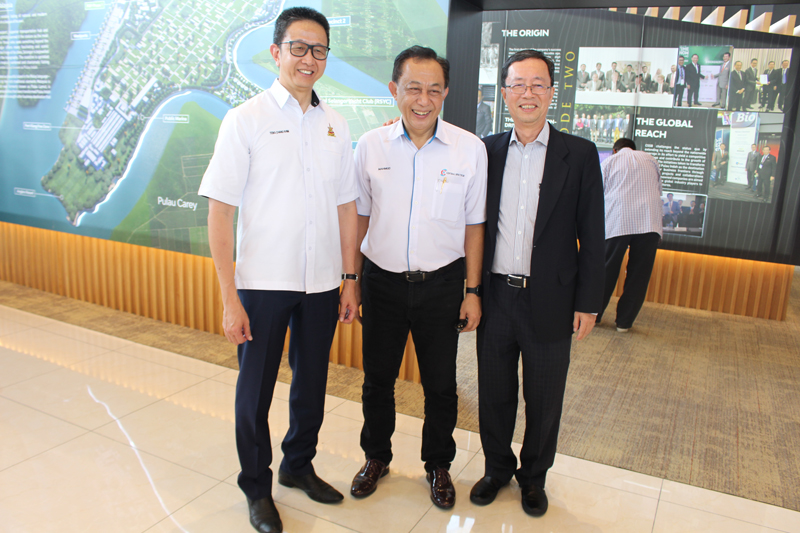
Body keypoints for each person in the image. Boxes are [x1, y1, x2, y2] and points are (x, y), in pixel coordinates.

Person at [199, 7, 358, 533]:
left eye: (319, 50)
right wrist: (230, 298)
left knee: (311, 383)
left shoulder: (336, 124)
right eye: (298, 47)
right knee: (256, 391)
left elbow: (346, 207)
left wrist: (349, 279)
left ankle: (298, 465)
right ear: (276, 52)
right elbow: (220, 212)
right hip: (262, 284)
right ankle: (256, 486)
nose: (309, 59)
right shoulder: (245, 119)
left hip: (322, 283)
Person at [350, 45, 487, 510]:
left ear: (445, 93)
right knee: (377, 380)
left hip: (443, 285)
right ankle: (376, 457)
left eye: (433, 90)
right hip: (382, 282)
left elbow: (474, 226)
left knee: (441, 385)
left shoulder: (469, 149)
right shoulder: (371, 146)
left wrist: (472, 290)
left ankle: (438, 465)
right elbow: (360, 217)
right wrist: (351, 279)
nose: (423, 99)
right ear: (395, 90)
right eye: (413, 88)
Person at [469, 49, 604, 518]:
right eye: (518, 84)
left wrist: (589, 302)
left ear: (551, 92)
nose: (528, 93)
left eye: (537, 84)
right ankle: (496, 469)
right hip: (496, 296)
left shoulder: (579, 154)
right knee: (494, 391)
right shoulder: (486, 151)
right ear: (505, 92)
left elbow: (593, 233)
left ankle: (533, 478)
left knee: (544, 399)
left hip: (552, 297)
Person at [597, 138, 662, 332]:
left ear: (614, 150)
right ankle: (624, 323)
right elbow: (658, 189)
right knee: (639, 275)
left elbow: (597, 193)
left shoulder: (609, 162)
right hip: (649, 224)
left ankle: (595, 315)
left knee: (606, 270)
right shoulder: (651, 159)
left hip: (618, 221)